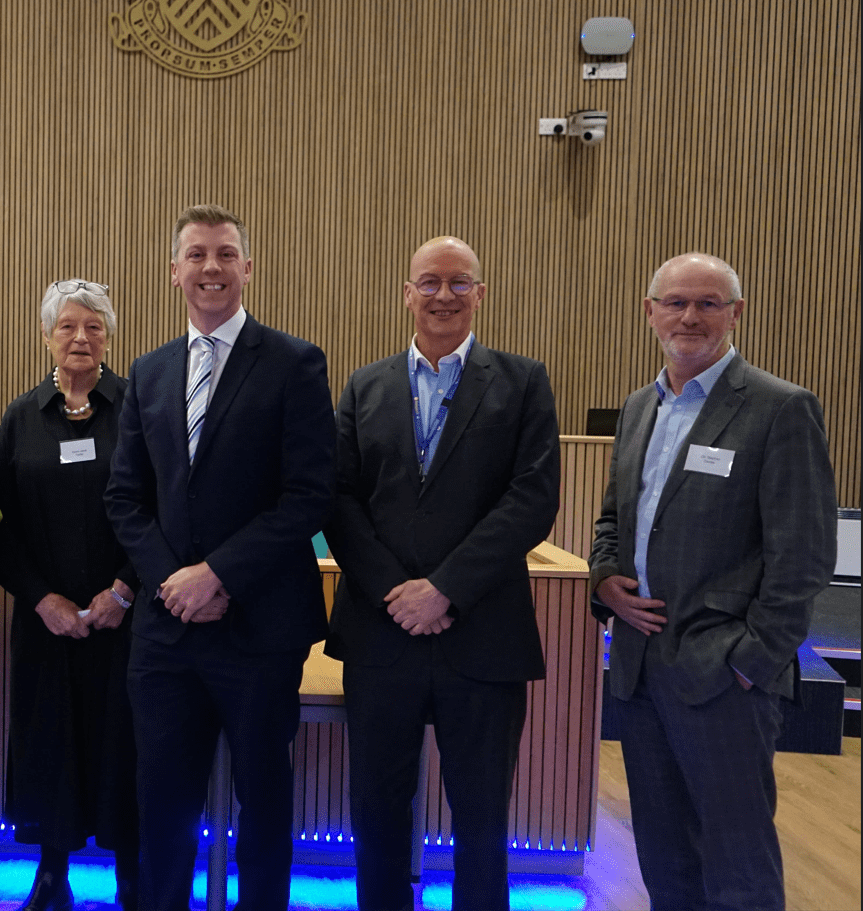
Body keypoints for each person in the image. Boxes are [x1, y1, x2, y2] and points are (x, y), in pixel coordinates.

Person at [589, 252, 836, 911]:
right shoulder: (641, 406)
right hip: (640, 673)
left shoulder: (780, 409)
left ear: (736, 313)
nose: (690, 316)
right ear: (650, 313)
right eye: (675, 302)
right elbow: (615, 516)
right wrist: (605, 576)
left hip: (725, 677)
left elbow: (805, 555)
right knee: (664, 859)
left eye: (708, 302)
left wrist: (751, 661)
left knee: (737, 866)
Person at [105, 204, 335, 911]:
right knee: (162, 803)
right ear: (174, 271)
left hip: (260, 628)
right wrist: (175, 581)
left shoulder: (295, 363)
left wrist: (220, 574)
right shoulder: (148, 371)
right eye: (197, 254)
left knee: (264, 800)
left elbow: (309, 496)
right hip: (166, 633)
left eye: (225, 253)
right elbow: (124, 497)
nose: (212, 267)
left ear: (247, 267)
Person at [323, 237, 560, 911]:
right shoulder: (364, 386)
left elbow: (532, 499)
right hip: (382, 632)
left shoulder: (522, 382)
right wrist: (397, 593)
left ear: (480, 294)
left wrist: (444, 588)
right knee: (375, 809)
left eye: (460, 283)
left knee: (482, 817)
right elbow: (338, 499)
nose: (444, 295)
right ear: (407, 292)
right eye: (429, 282)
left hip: (482, 635)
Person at [0, 280, 140, 911]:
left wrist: (125, 590)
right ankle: (52, 874)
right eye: (67, 327)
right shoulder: (23, 416)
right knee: (50, 742)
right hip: (46, 622)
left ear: (109, 336)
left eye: (94, 327)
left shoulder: (139, 405)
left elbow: (160, 507)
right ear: (48, 336)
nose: (80, 338)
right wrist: (40, 598)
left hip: (126, 621)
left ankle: (134, 874)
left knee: (125, 743)